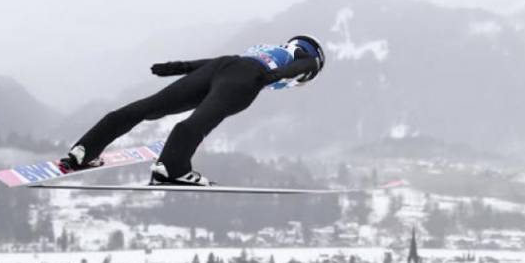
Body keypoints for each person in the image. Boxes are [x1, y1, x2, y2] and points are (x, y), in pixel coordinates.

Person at [60, 35, 326, 186]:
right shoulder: (305, 58)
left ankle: (83, 151)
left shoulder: (270, 48)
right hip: (248, 79)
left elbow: (221, 63)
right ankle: (171, 168)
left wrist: (180, 66)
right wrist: (275, 75)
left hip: (223, 67)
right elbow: (304, 66)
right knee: (201, 121)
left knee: (148, 107)